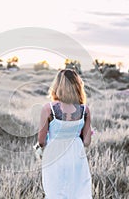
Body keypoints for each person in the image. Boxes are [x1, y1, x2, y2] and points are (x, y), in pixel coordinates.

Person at [37, 69, 92, 199]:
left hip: (54, 156)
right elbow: (87, 142)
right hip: (77, 156)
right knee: (78, 192)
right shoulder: (85, 110)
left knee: (55, 193)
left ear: (57, 86)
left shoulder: (48, 108)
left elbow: (41, 140)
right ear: (77, 86)